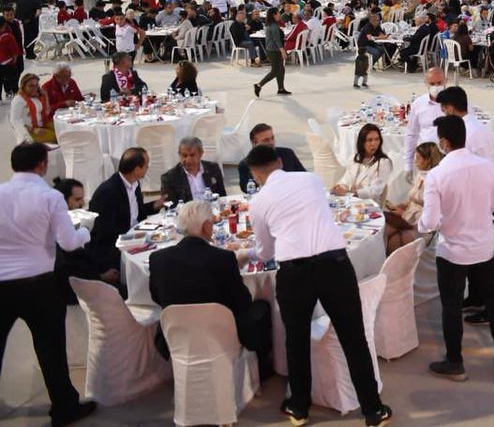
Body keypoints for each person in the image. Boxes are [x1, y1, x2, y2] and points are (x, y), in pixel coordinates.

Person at [244, 144, 392, 426]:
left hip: (294, 273)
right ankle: (373, 409)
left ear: (255, 173)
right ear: (278, 161)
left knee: (296, 341)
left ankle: (299, 408)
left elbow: (265, 254)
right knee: (353, 337)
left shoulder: (259, 201)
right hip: (334, 265)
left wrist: (247, 253)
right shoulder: (310, 180)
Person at [418, 116, 494, 380]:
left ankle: (455, 362)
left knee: (451, 306)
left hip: (452, 252)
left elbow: (429, 222)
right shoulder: (486, 166)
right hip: (484, 247)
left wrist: (432, 223)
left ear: (443, 143)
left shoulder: (436, 175)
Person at [0, 143, 96, 427]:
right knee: (50, 348)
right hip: (39, 284)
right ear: (42, 165)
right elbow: (68, 242)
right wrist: (85, 232)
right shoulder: (50, 196)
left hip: (2, 282)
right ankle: (64, 407)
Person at [148, 200, 274, 378]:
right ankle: (260, 368)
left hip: (178, 334)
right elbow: (243, 302)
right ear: (206, 227)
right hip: (219, 334)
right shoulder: (223, 259)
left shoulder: (158, 259)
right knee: (262, 307)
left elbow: (156, 297)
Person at [87, 148, 163, 279]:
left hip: (135, 236)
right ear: (137, 170)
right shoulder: (108, 192)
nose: (147, 168)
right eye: (146, 166)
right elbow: (104, 233)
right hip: (117, 248)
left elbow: (133, 214)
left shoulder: (134, 183)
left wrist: (154, 205)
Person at [383, 142, 442, 254]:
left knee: (394, 240)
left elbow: (429, 215)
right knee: (385, 227)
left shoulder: (433, 181)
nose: (415, 161)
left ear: (428, 160)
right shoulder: (421, 175)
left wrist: (403, 214)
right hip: (409, 218)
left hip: (421, 227)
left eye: (418, 158)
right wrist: (403, 205)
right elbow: (414, 198)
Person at [403, 67, 447, 178]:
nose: (436, 87)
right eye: (432, 84)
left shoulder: (455, 104)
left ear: (446, 81)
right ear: (426, 83)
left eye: (439, 83)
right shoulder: (418, 104)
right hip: (425, 161)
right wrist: (408, 164)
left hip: (447, 161)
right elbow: (411, 134)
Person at [333, 123, 394, 203]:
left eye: (377, 139)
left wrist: (351, 193)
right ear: (362, 142)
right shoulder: (354, 159)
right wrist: (339, 187)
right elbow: (346, 180)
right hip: (350, 201)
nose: (374, 144)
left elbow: (375, 191)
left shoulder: (383, 163)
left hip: (369, 204)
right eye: (370, 140)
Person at [237, 123, 306, 192]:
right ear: (255, 143)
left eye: (272, 138)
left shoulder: (287, 154)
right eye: (266, 140)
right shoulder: (245, 165)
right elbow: (247, 190)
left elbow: (304, 176)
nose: (271, 142)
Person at [160, 137, 226, 204]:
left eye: (192, 155)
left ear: (201, 154)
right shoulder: (170, 178)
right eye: (184, 156)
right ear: (179, 154)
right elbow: (170, 206)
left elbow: (223, 197)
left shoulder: (213, 168)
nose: (188, 160)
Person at [253, 7, 291, 97]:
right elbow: (276, 40)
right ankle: (259, 85)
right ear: (274, 15)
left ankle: (281, 88)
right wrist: (283, 51)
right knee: (275, 71)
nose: (279, 15)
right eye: (278, 13)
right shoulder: (273, 26)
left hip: (274, 50)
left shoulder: (272, 24)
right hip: (273, 51)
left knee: (281, 69)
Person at [10, 72, 56, 143]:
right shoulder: (19, 100)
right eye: (31, 86)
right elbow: (14, 121)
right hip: (30, 131)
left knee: (61, 130)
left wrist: (45, 96)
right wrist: (33, 130)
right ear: (23, 86)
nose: (34, 88)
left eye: (36, 85)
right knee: (58, 137)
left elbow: (47, 112)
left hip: (42, 124)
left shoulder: (37, 96)